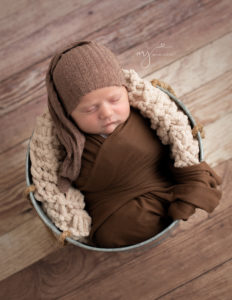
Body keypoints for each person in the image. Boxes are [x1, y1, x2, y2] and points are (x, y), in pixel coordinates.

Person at [46, 40, 222, 248]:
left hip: (165, 183)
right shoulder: (67, 143)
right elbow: (65, 186)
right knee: (108, 235)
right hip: (112, 210)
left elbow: (175, 145)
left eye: (115, 100)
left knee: (190, 185)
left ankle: (179, 198)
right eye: (90, 109)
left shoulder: (147, 115)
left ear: (126, 90)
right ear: (68, 116)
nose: (106, 113)